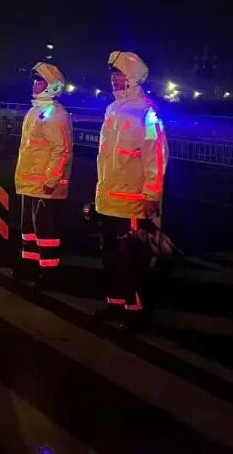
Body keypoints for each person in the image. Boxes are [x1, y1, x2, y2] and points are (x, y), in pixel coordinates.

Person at [94, 50, 168, 329]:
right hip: (108, 201)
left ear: (134, 78)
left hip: (133, 203)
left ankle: (135, 312)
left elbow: (156, 157)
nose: (115, 79)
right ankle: (115, 304)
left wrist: (152, 195)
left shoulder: (146, 113)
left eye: (120, 74)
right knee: (111, 257)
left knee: (132, 260)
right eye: (113, 74)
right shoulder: (112, 110)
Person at [13, 62, 73, 283]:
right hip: (31, 185)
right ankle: (29, 266)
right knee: (29, 229)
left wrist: (51, 180)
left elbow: (62, 150)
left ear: (51, 85)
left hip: (45, 187)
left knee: (46, 233)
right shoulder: (36, 111)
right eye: (35, 79)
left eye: (40, 80)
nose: (35, 83)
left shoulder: (54, 113)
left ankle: (49, 273)